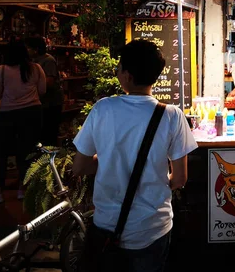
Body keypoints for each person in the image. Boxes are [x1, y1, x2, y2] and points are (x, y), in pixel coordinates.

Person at [72, 39, 197, 272]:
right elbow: (179, 179)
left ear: (127, 75)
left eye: (119, 67)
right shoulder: (172, 116)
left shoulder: (103, 109)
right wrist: (154, 186)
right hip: (153, 227)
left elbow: (79, 166)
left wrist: (108, 160)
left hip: (107, 226)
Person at [0, 38, 46, 204]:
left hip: (8, 114)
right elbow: (42, 91)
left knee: (0, 152)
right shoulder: (36, 69)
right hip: (32, 113)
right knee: (27, 152)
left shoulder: (1, 70)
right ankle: (23, 190)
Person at [25, 36, 64, 146]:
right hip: (42, 103)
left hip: (52, 103)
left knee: (49, 133)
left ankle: (50, 160)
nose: (26, 51)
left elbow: (49, 82)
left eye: (28, 48)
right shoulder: (33, 61)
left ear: (36, 49)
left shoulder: (48, 60)